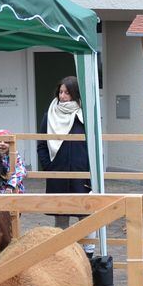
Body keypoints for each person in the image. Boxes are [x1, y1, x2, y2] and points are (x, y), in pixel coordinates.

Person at [37, 76, 92, 235]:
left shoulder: (84, 117)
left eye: (66, 92)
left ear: (74, 94)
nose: (62, 96)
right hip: (57, 172)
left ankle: (88, 253)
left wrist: (89, 169)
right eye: (60, 92)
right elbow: (42, 144)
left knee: (85, 214)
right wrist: (49, 166)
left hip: (81, 173)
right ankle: (63, 252)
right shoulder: (49, 116)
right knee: (61, 216)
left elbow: (93, 146)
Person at [0, 129, 27, 194]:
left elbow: (21, 170)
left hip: (13, 187)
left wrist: (11, 185)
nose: (2, 144)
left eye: (6, 142)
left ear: (10, 145)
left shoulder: (14, 155)